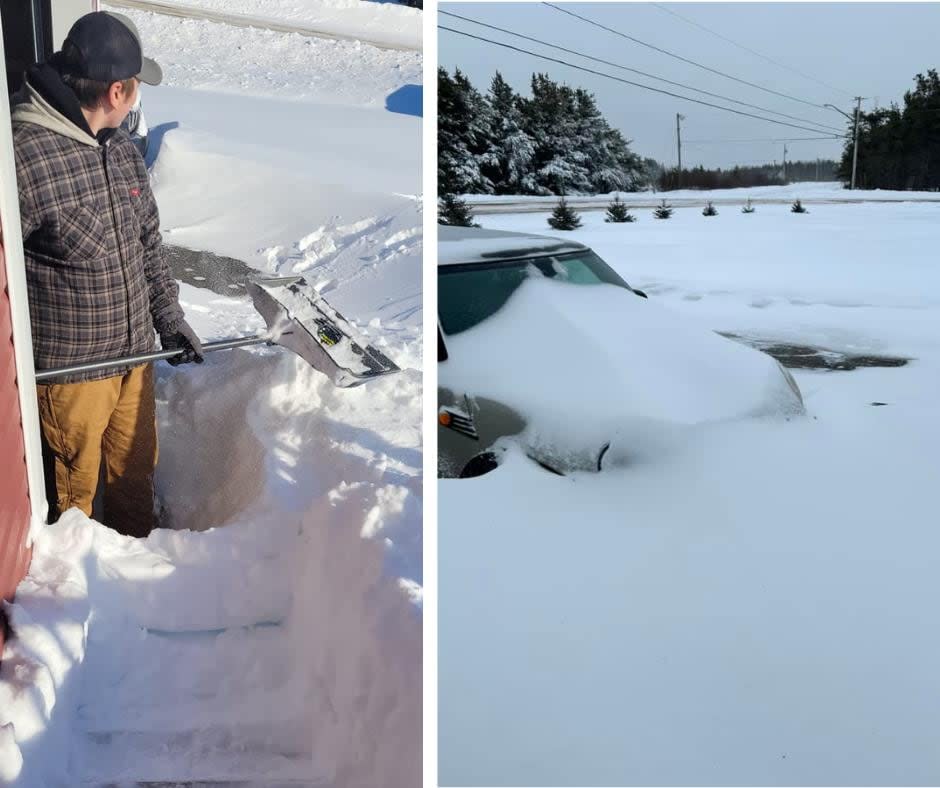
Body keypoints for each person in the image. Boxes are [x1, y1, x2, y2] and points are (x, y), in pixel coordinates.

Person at [11, 11, 203, 537]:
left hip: (134, 359)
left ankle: (142, 580)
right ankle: (82, 603)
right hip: (71, 376)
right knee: (75, 503)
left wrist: (169, 317)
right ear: (117, 90)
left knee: (134, 482)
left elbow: (148, 243)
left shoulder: (120, 149)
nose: (139, 97)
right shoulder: (22, 157)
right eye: (138, 86)